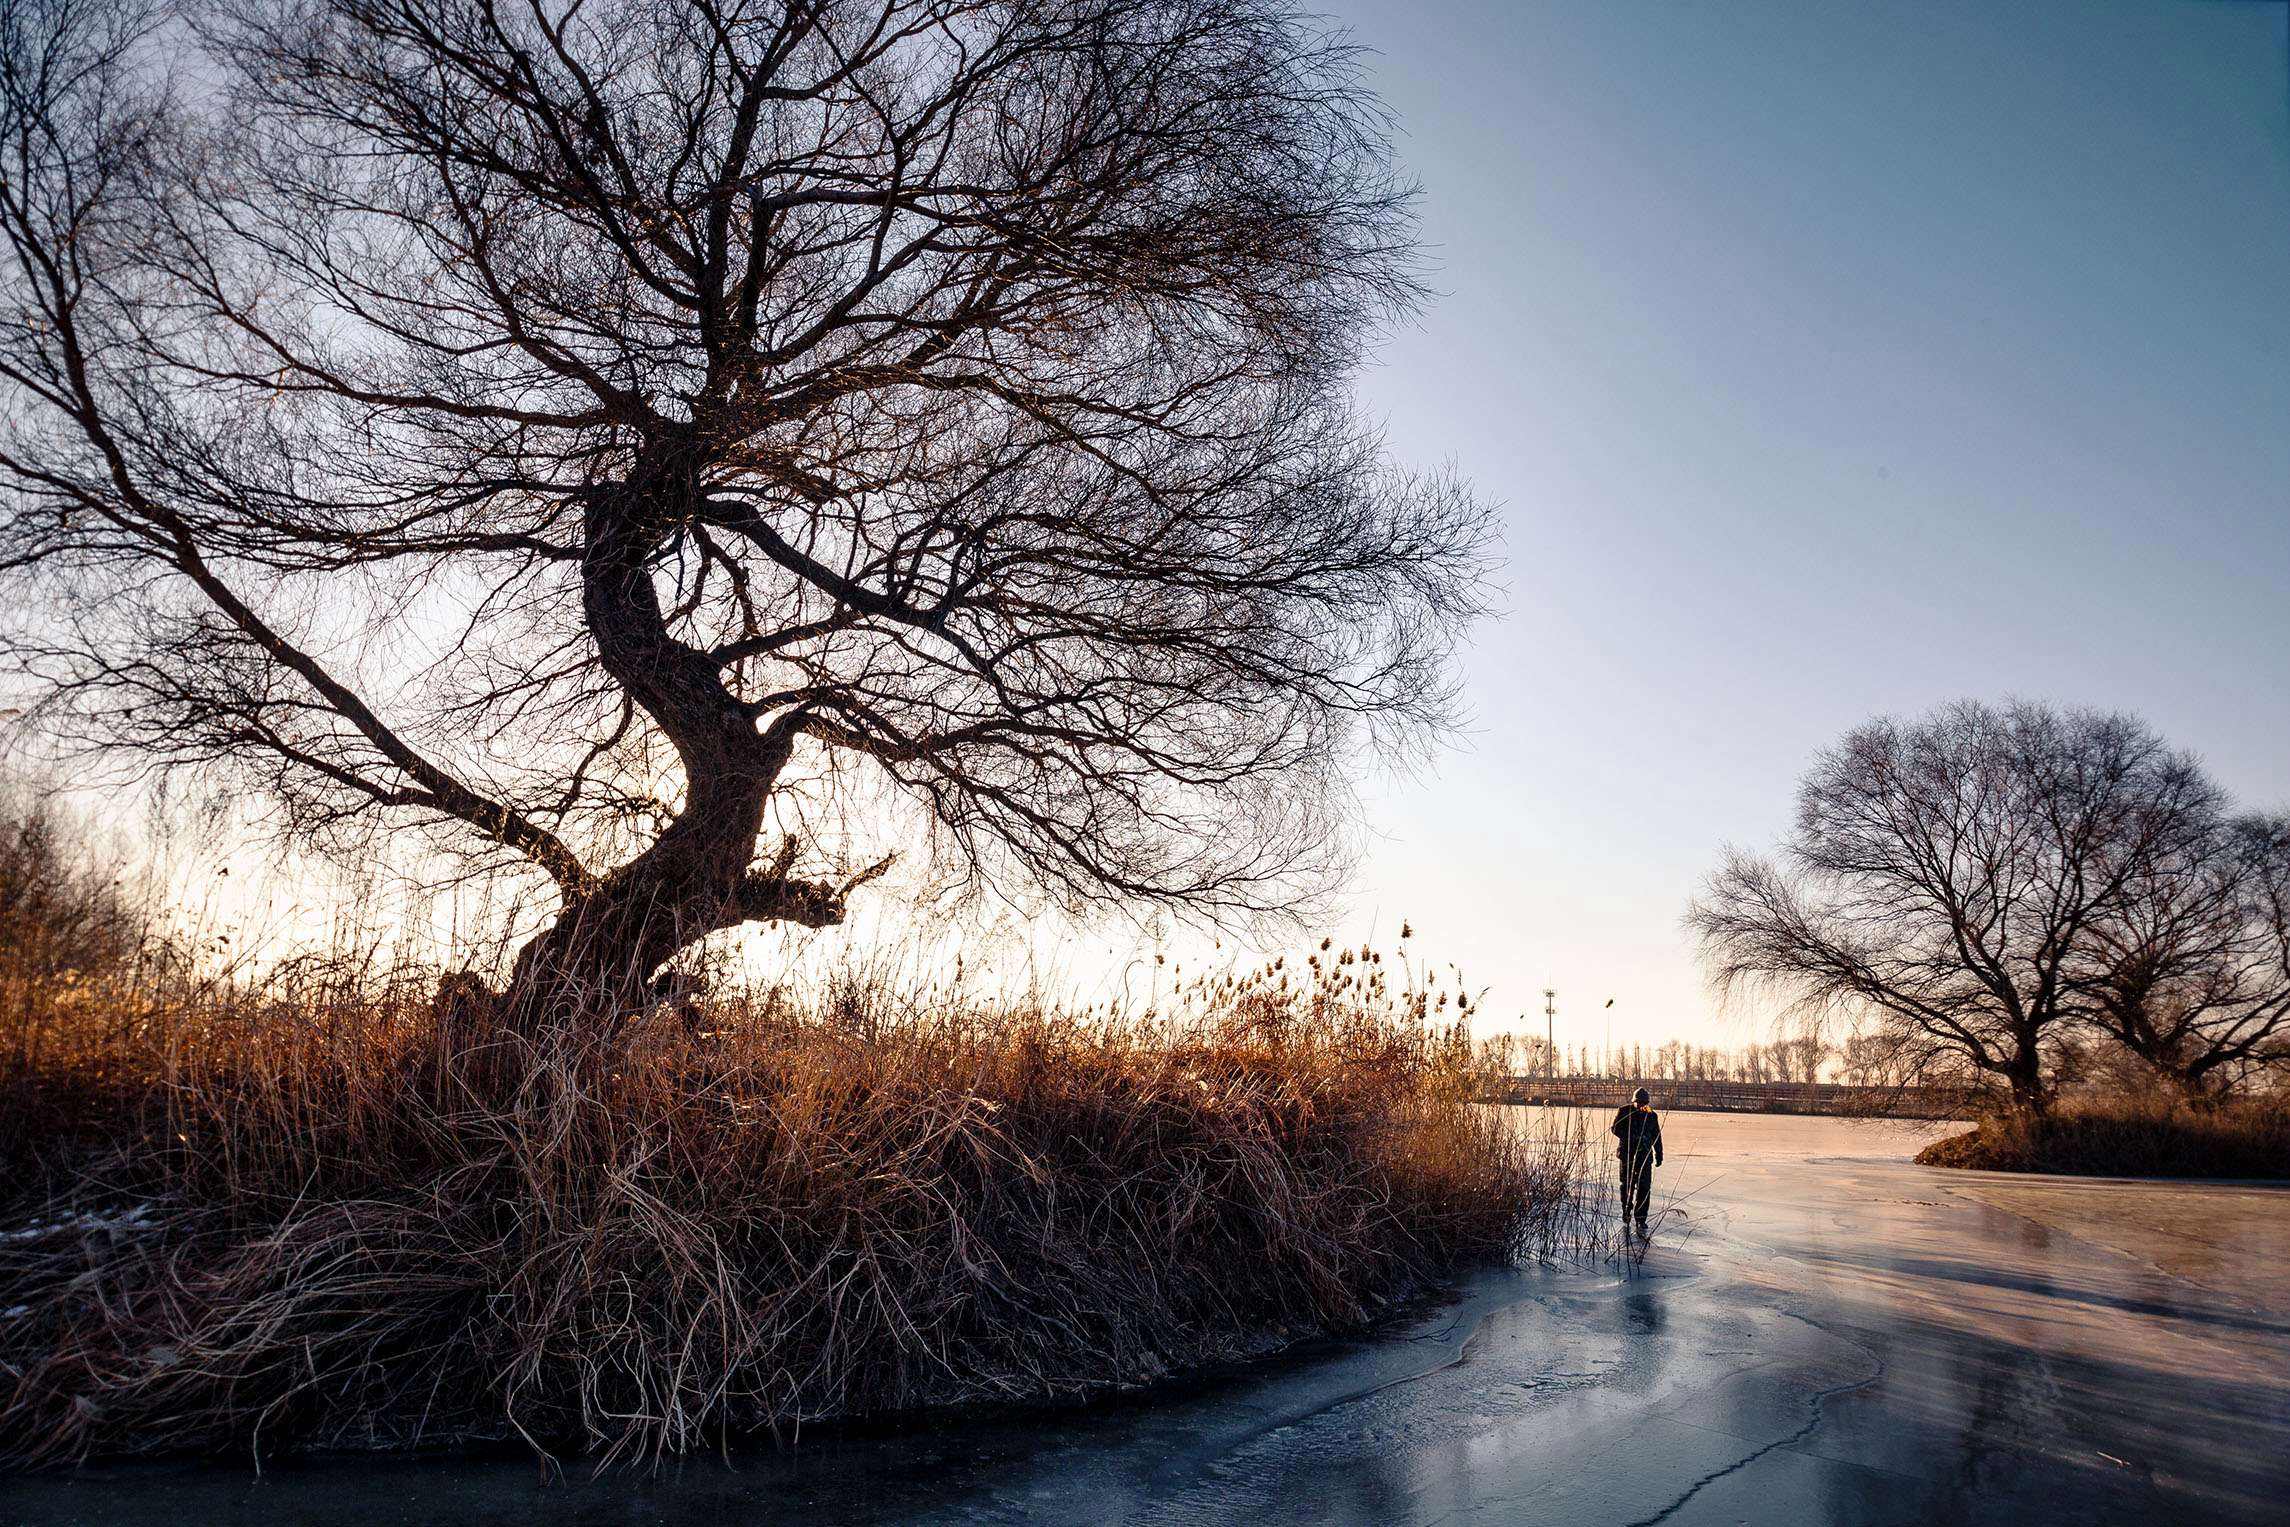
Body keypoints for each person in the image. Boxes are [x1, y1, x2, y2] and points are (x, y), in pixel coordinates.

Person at [1610, 1087, 1663, 1235]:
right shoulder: (1624, 1111)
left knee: (1644, 1187)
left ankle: (1641, 1218)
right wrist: (1631, 1136)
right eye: (1639, 1103)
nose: (1641, 1106)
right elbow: (1615, 1129)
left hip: (1645, 1157)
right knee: (1627, 1185)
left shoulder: (1652, 1116)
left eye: (1644, 1103)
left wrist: (1659, 1154)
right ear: (1634, 1101)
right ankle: (1626, 1211)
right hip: (1627, 1155)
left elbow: (1656, 1136)